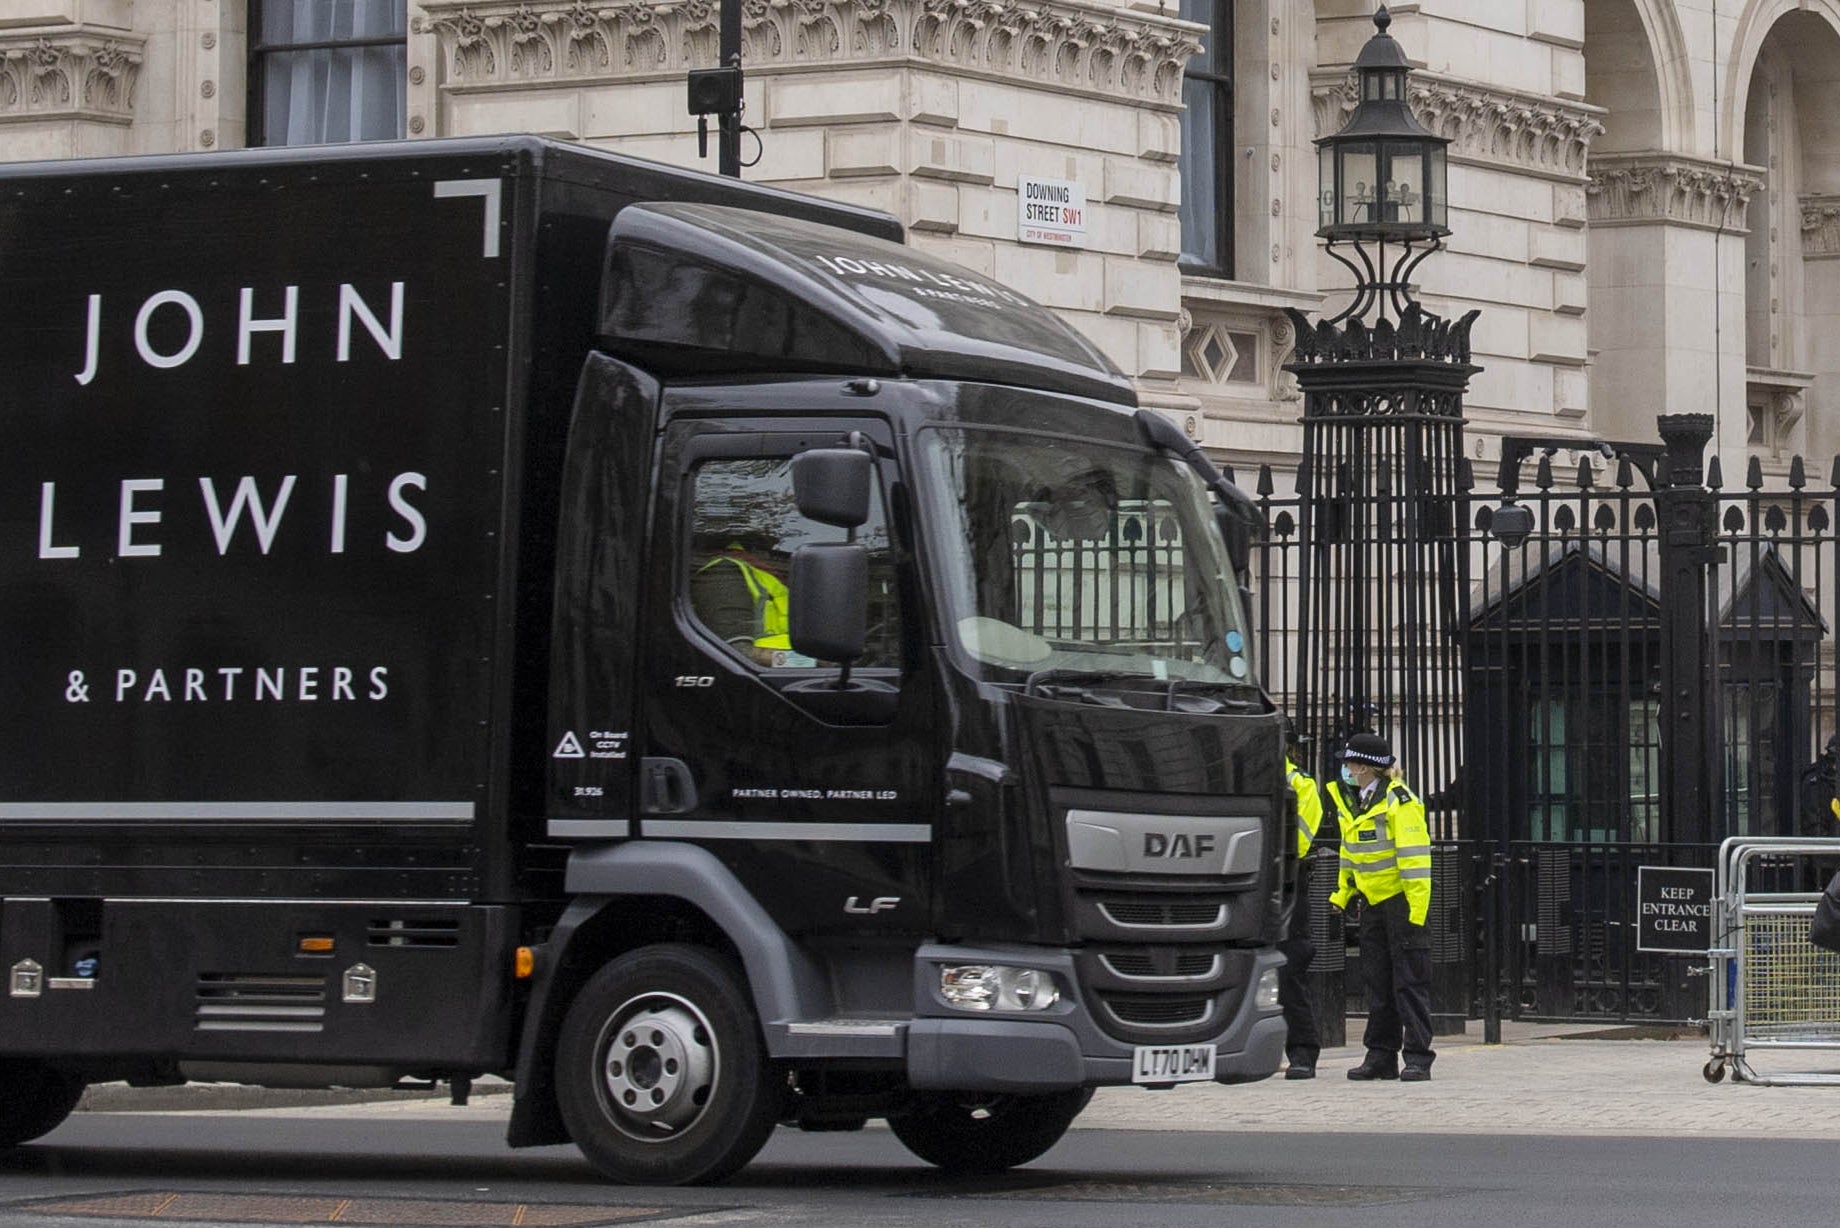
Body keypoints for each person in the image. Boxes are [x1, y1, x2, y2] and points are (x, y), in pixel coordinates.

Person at [1326, 731, 1435, 1081]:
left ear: (1365, 767)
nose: (1345, 767)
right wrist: (1342, 895)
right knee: (1378, 984)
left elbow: (1415, 859)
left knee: (1409, 983)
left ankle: (1417, 1056)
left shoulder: (1399, 803)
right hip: (1372, 903)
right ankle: (1381, 1056)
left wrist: (1416, 912)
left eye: (1350, 762)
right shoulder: (1357, 801)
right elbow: (1350, 855)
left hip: (1401, 904)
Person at [1279, 734, 1325, 1079]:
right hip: (1247, 882)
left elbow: (1300, 838)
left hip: (1287, 884)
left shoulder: (1299, 782)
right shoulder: (1241, 774)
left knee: (1289, 969)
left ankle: (1302, 1051)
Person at [691, 542, 791, 665]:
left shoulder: (765, 575)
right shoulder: (725, 573)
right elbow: (737, 652)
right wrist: (809, 662)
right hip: (761, 677)